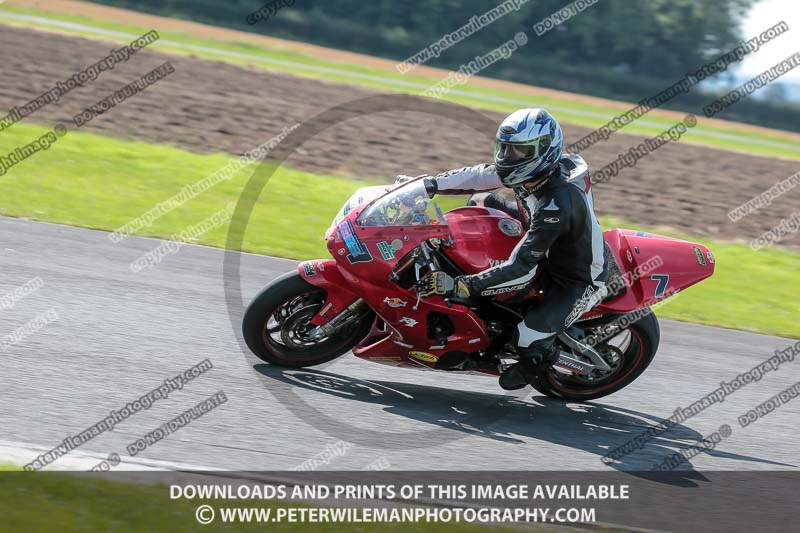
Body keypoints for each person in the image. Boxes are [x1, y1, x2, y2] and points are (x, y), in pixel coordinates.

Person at [412, 108, 608, 390]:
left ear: (543, 151)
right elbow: (481, 177)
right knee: (480, 201)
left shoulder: (558, 203)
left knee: (526, 338)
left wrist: (463, 286)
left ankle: (539, 360)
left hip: (576, 278)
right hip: (541, 230)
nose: (507, 158)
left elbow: (522, 267)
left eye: (518, 151)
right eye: (505, 149)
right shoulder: (538, 171)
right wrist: (428, 184)